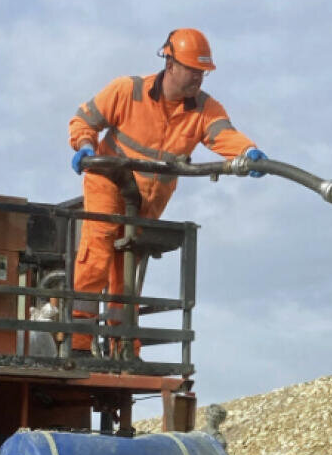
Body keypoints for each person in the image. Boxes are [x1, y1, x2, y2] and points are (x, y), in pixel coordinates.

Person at [66, 27, 264, 352]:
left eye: (203, 72)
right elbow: (83, 121)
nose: (199, 79)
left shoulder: (203, 109)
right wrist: (86, 147)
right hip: (108, 182)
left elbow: (223, 134)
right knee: (98, 249)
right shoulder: (127, 91)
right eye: (193, 70)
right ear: (170, 64)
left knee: (127, 272)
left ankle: (124, 348)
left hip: (148, 199)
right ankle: (79, 344)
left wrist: (247, 153)